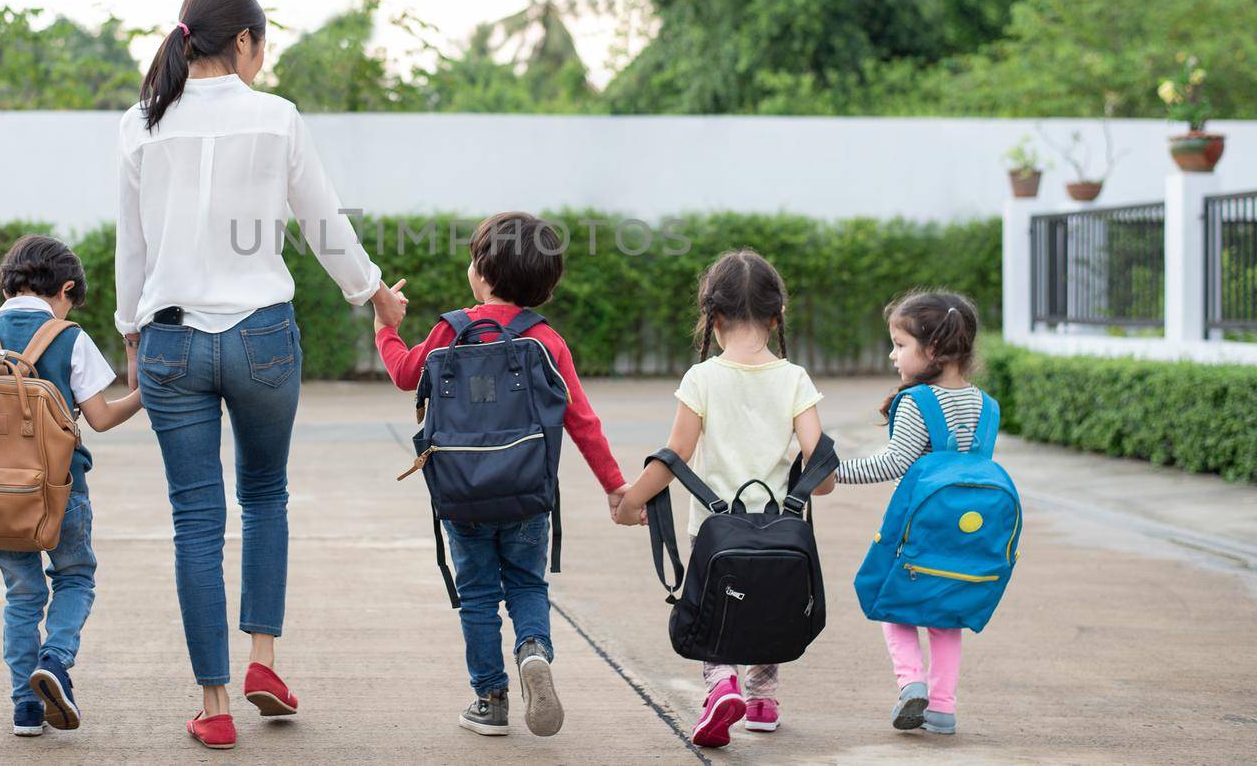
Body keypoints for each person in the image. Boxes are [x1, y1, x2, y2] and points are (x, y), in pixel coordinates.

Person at [115, 0, 407, 751]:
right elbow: (323, 223)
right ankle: (263, 662)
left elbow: (131, 245)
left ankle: (212, 704)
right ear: (242, 41)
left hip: (171, 340)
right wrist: (374, 294)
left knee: (194, 522)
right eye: (261, 44)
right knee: (267, 496)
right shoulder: (277, 119)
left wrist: (129, 332)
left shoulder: (140, 124)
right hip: (263, 340)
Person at [376, 212, 629, 740]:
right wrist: (614, 486)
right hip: (528, 495)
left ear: (482, 272)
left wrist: (386, 328)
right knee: (526, 584)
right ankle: (533, 651)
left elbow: (405, 375)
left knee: (477, 596)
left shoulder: (451, 330)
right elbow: (582, 420)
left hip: (463, 495)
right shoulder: (546, 341)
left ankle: (490, 700)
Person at [614, 249, 833, 748]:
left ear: (712, 317)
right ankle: (762, 699)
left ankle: (721, 686)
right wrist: (808, 484)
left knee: (719, 605)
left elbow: (675, 455)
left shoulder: (703, 378)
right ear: (778, 316)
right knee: (769, 601)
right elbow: (821, 474)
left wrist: (632, 501)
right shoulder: (795, 379)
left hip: (714, 530)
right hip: (781, 528)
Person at [0, 234, 141, 737]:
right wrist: (145, 396)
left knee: (22, 595)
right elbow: (101, 418)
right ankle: (56, 659)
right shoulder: (69, 337)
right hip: (58, 489)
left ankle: (26, 710)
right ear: (65, 288)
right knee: (75, 577)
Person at [836, 289, 986, 737]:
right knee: (946, 615)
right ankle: (942, 709)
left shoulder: (919, 402)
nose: (892, 355)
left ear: (934, 349)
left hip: (916, 529)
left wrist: (832, 473)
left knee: (891, 601)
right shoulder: (986, 405)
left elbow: (892, 463)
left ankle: (912, 684)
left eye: (900, 345)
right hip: (967, 533)